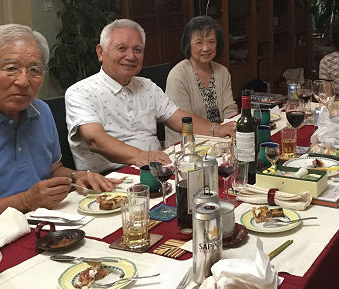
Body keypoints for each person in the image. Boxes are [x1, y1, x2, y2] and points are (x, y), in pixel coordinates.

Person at [0, 24, 118, 235]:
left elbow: (52, 169)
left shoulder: (40, 111)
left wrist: (77, 176)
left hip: (42, 228)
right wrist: (25, 201)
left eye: (34, 70)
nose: (23, 81)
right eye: (11, 68)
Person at [65, 19, 236, 173]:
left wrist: (216, 129)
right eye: (122, 48)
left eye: (137, 50)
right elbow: (95, 140)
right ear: (100, 52)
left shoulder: (147, 86)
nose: (131, 56)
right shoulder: (80, 92)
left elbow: (177, 117)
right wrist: (141, 156)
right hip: (110, 179)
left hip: (156, 169)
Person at [165, 16, 238, 145]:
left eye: (211, 42)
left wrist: (232, 128)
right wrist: (216, 133)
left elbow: (229, 109)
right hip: (187, 145)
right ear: (189, 44)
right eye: (199, 42)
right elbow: (183, 122)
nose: (206, 48)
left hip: (221, 141)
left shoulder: (222, 72)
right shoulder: (178, 75)